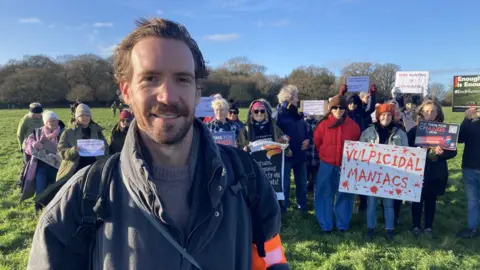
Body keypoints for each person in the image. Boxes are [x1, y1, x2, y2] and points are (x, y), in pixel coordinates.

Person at [28, 18, 288, 270]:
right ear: (127, 91)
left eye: (182, 79)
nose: (167, 96)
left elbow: (273, 260)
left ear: (198, 92)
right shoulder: (80, 200)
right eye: (150, 78)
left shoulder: (248, 178)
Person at [407, 100, 457, 238]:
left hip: (436, 171)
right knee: (417, 199)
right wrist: (417, 150)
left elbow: (453, 152)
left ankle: (428, 226)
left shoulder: (445, 130)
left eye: (433, 111)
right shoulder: (415, 130)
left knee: (431, 199)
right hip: (418, 171)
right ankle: (415, 226)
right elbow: (405, 149)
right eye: (427, 111)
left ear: (438, 113)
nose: (430, 113)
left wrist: (443, 154)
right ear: (422, 112)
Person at [360, 104, 408, 241]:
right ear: (378, 116)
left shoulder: (400, 133)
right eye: (383, 115)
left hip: (391, 175)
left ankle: (389, 229)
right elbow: (360, 150)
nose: (385, 117)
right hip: (372, 174)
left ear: (392, 116)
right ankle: (370, 229)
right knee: (372, 203)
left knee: (389, 204)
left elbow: (406, 153)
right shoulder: (368, 132)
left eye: (388, 115)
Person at [313, 95, 361, 233]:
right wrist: (326, 154)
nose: (338, 110)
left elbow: (357, 144)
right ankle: (325, 224)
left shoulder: (353, 126)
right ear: (330, 108)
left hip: (345, 166)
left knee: (345, 195)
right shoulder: (322, 125)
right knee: (324, 193)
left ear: (345, 109)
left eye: (341, 107)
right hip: (327, 164)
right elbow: (318, 142)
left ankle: (342, 224)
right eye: (335, 107)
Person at [341, 84, 377, 212]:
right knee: (348, 176)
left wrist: (372, 95)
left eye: (355, 103)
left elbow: (371, 107)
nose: (352, 106)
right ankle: (348, 202)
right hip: (346, 150)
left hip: (361, 148)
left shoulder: (362, 113)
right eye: (350, 103)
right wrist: (341, 94)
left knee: (362, 176)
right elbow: (336, 106)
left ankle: (362, 202)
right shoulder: (344, 114)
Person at [276, 85, 310, 214]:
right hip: (286, 155)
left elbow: (306, 130)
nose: (298, 99)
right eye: (296, 97)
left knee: (301, 182)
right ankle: (283, 209)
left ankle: (302, 206)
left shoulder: (298, 114)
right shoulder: (279, 114)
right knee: (285, 185)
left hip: (300, 154)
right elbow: (277, 136)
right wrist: (286, 148)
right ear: (288, 98)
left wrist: (308, 139)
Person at [23, 111, 63, 213]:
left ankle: (55, 209)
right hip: (40, 166)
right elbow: (26, 145)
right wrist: (34, 144)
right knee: (40, 188)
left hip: (58, 166)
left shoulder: (63, 133)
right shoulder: (37, 132)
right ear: (45, 122)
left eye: (55, 121)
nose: (54, 123)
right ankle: (38, 208)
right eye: (51, 121)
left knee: (56, 188)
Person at [456, 107, 480, 238]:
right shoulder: (471, 122)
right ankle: (472, 228)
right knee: (472, 201)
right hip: (470, 168)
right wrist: (466, 119)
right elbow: (458, 138)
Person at [16, 102, 45, 189]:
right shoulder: (25, 120)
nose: (39, 115)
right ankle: (20, 182)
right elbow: (19, 134)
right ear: (32, 113)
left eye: (40, 113)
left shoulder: (43, 119)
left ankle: (35, 182)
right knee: (26, 164)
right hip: (28, 146)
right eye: (37, 114)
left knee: (37, 165)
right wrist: (21, 146)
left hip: (39, 146)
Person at [304, 113, 320, 192]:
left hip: (316, 157)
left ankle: (315, 199)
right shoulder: (302, 123)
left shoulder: (320, 123)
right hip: (305, 157)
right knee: (303, 180)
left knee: (317, 180)